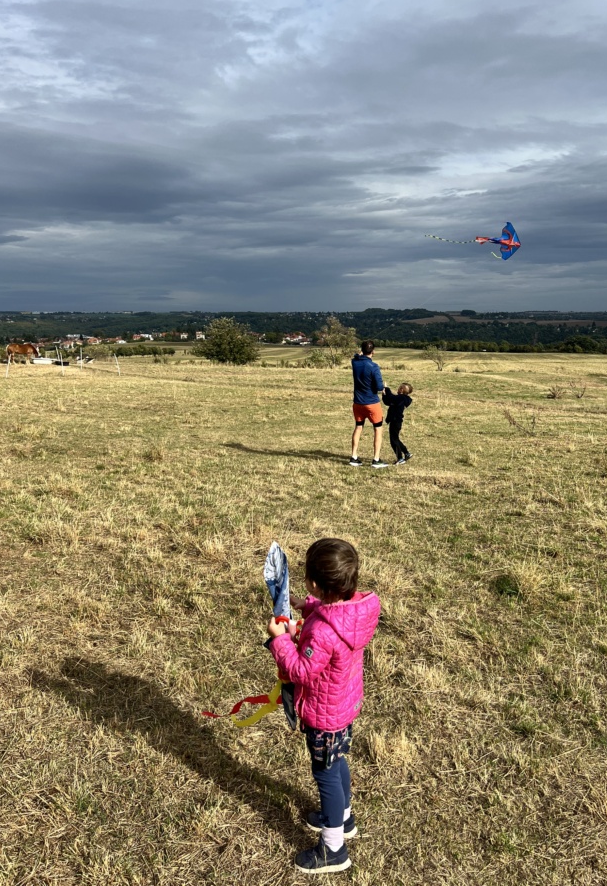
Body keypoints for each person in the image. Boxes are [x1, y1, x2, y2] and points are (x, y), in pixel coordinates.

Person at [268, 538, 380, 875]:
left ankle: (334, 849)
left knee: (326, 773)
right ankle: (344, 819)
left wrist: (280, 640)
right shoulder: (355, 609)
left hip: (324, 713)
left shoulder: (322, 633)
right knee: (337, 760)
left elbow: (301, 670)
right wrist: (309, 605)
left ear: (316, 583)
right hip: (343, 705)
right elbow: (331, 614)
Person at [350, 341, 388, 468]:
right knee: (378, 429)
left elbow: (355, 356)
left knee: (358, 427)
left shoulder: (355, 363)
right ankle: (376, 459)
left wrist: (359, 355)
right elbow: (378, 387)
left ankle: (354, 456)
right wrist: (383, 387)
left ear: (362, 350)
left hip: (357, 403)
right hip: (371, 402)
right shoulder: (374, 366)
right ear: (373, 352)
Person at [382, 382, 413, 464]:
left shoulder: (401, 398)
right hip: (395, 421)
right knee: (395, 439)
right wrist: (384, 395)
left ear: (402, 390)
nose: (398, 389)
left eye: (399, 387)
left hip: (395, 421)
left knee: (393, 441)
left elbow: (392, 398)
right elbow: (388, 401)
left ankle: (400, 458)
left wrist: (386, 388)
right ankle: (406, 453)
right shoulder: (400, 399)